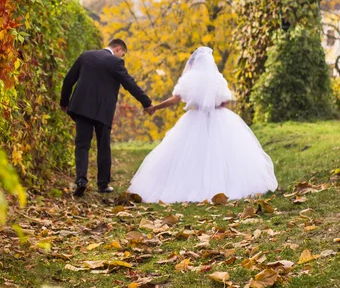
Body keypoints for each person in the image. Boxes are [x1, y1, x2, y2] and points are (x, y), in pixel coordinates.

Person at [128, 47, 278, 203]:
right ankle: (224, 186)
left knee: (190, 152)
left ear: (193, 63)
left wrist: (155, 107)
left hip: (195, 118)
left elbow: (175, 100)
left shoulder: (190, 79)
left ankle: (189, 184)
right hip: (219, 117)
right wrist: (214, 105)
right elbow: (226, 101)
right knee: (224, 151)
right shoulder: (217, 78)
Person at [60, 39, 153, 197]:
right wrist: (147, 102)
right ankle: (103, 185)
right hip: (103, 110)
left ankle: (81, 180)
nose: (121, 56)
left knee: (82, 144)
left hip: (81, 107)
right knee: (103, 146)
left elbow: (69, 80)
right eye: (122, 53)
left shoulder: (86, 56)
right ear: (118, 49)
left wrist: (64, 102)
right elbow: (130, 84)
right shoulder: (115, 62)